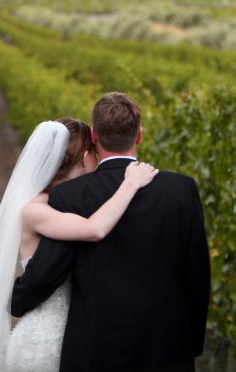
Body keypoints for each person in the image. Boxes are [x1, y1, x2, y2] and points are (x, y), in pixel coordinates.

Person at [11, 92, 211, 372]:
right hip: (167, 348)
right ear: (139, 135)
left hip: (95, 349)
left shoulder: (70, 196)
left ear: (94, 135)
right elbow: (197, 274)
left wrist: (17, 300)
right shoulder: (181, 189)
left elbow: (47, 273)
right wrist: (191, 345)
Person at [0, 114, 158, 372]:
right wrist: (130, 184)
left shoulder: (62, 203)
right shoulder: (35, 210)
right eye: (94, 151)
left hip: (74, 335)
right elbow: (95, 229)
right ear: (85, 158)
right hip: (46, 342)